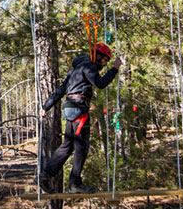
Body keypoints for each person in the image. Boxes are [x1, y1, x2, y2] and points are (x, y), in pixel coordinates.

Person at [38, 42, 121, 194]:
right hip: (79, 109)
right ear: (99, 57)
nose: (105, 64)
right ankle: (74, 183)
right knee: (81, 147)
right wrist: (114, 69)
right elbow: (100, 83)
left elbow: (61, 90)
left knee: (67, 146)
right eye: (105, 60)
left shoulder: (74, 70)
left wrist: (46, 106)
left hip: (70, 108)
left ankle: (46, 174)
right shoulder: (90, 66)